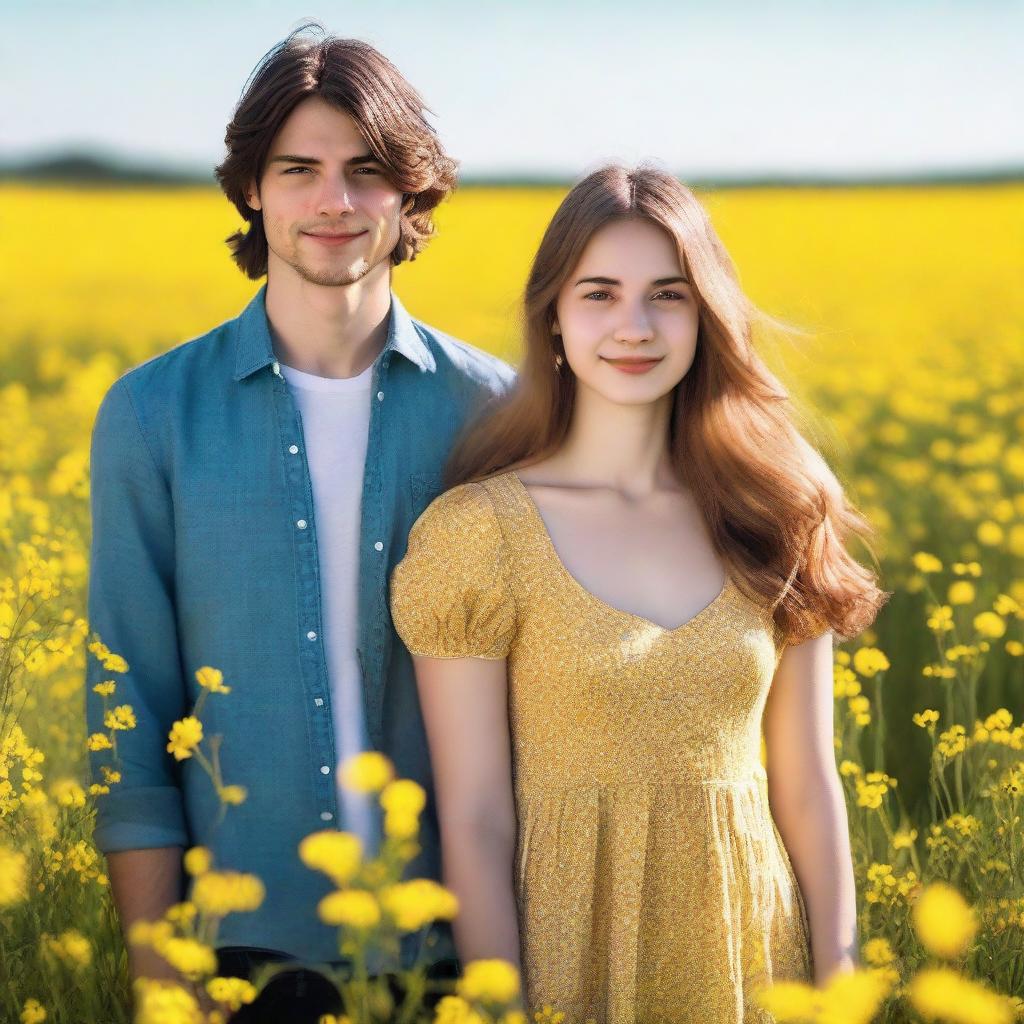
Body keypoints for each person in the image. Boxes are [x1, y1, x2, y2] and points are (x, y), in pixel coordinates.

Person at [389, 163, 890, 1022]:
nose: (635, 326)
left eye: (668, 294)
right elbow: (474, 815)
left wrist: (841, 996)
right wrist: (501, 1010)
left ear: (706, 316)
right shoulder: (480, 533)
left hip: (751, 954)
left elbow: (806, 782)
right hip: (565, 954)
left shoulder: (775, 508)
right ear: (552, 318)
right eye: (599, 294)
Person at [84, 23, 514, 1022]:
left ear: (411, 190)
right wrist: (160, 979)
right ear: (250, 189)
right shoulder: (152, 414)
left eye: (368, 170)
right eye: (299, 169)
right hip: (242, 947)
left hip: (454, 944)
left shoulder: (498, 414)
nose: (335, 200)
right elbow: (128, 713)